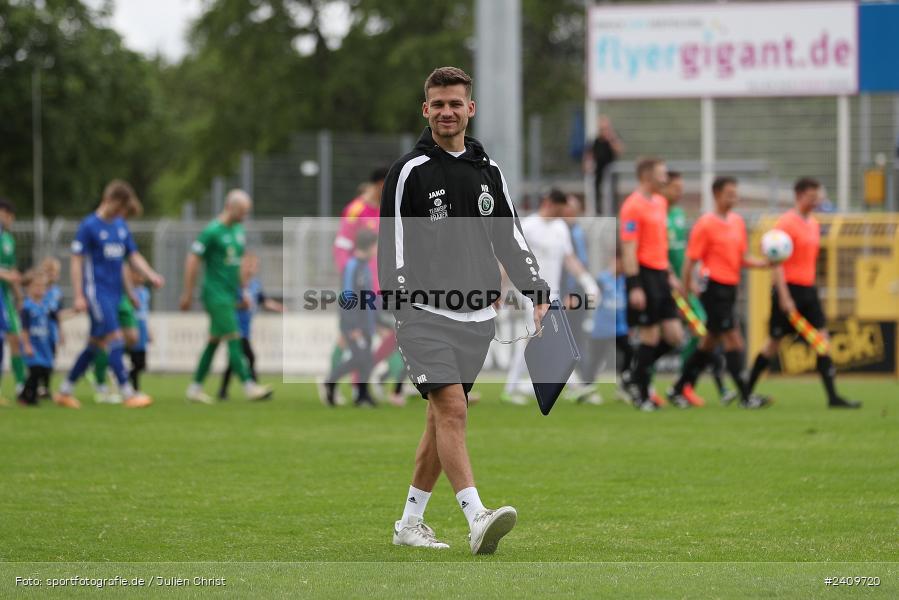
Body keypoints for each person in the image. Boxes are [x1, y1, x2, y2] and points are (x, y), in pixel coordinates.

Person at [378, 66, 552, 554]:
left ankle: (409, 524)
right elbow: (391, 243)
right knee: (453, 409)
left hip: (478, 320)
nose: (447, 112)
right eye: (438, 104)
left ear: (470, 108)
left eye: (455, 103)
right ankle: (477, 517)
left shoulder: (489, 171)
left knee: (441, 420)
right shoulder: (408, 171)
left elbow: (510, 238)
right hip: (423, 315)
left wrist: (538, 292)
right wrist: (400, 304)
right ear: (425, 109)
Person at [745, 178, 861, 409]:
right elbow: (776, 262)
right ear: (799, 195)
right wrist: (784, 296)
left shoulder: (814, 223)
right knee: (773, 344)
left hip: (808, 290)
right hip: (788, 290)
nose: (816, 200)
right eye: (811, 196)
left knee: (822, 341)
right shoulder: (786, 223)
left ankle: (833, 397)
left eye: (817, 196)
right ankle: (746, 394)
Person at [53, 180, 164, 409]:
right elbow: (77, 261)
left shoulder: (120, 226)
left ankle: (65, 391)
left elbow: (131, 257)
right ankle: (127, 393)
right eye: (120, 207)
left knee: (94, 344)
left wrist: (150, 275)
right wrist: (79, 295)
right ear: (110, 200)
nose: (121, 213)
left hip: (115, 294)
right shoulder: (89, 226)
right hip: (97, 292)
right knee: (115, 337)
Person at [666, 177, 772, 409]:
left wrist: (764, 263)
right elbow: (690, 261)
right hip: (713, 288)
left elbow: (742, 258)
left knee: (708, 343)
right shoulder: (705, 224)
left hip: (730, 288)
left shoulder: (737, 222)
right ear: (716, 195)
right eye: (729, 194)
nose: (734, 198)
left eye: (735, 193)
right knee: (734, 339)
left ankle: (678, 388)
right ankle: (746, 396)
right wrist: (685, 290)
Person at [500, 188, 598, 406]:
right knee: (544, 337)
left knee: (542, 338)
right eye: (561, 210)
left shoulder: (560, 228)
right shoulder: (528, 227)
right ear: (550, 204)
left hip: (553, 294)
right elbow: (510, 259)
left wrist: (587, 281)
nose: (563, 214)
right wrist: (500, 288)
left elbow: (569, 259)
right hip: (530, 293)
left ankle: (515, 388)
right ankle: (573, 386)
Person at [181, 189, 273, 404]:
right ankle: (249, 386)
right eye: (242, 212)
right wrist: (188, 292)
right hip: (215, 294)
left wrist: (244, 291)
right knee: (234, 336)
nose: (244, 216)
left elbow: (238, 264)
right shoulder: (212, 231)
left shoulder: (238, 231)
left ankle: (195, 388)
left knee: (213, 342)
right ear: (230, 207)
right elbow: (193, 260)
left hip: (230, 294)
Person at [619, 157, 684, 411]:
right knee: (650, 335)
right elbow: (629, 249)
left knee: (675, 336)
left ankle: (633, 376)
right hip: (643, 275)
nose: (665, 179)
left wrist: (670, 273)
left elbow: (660, 243)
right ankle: (642, 395)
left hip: (660, 275)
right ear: (647, 176)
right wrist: (635, 285)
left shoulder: (660, 202)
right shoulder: (632, 206)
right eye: (662, 174)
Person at [663, 172, 730, 406]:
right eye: (675, 187)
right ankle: (648, 385)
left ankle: (684, 386)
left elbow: (684, 255)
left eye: (681, 188)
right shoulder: (657, 214)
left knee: (702, 330)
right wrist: (670, 276)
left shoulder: (679, 215)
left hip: (682, 285)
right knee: (665, 335)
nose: (679, 192)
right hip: (664, 284)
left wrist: (689, 281)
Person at [322, 229, 378, 407]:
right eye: (375, 245)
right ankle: (330, 380)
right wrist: (353, 326)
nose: (377, 249)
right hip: (354, 325)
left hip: (366, 324)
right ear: (368, 246)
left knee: (367, 361)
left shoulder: (365, 266)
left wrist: (376, 320)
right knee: (360, 358)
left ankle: (362, 395)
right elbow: (347, 296)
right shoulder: (352, 266)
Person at [219, 252, 283, 400]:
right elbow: (226, 304)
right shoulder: (234, 283)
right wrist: (241, 305)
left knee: (233, 361)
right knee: (250, 357)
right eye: (249, 265)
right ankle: (254, 388)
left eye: (255, 265)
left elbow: (263, 300)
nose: (253, 268)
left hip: (246, 328)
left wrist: (278, 307)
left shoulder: (255, 285)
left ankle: (223, 391)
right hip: (234, 326)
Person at [0, 200, 27, 395]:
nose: (11, 220)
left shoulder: (8, 239)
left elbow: (12, 270)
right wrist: (7, 276)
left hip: (5, 296)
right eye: (9, 216)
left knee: (15, 338)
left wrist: (19, 297)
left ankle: (21, 386)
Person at [19, 271, 54, 406]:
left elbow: (56, 318)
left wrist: (74, 311)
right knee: (36, 370)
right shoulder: (27, 307)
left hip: (43, 345)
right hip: (32, 345)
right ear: (29, 288)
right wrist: (27, 345)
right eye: (36, 286)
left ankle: (24, 395)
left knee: (44, 371)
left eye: (42, 286)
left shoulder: (45, 306)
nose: (40, 289)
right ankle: (30, 398)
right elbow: (24, 329)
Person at [584, 115, 624, 214]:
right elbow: (588, 154)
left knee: (612, 192)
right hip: (599, 170)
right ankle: (599, 212)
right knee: (597, 192)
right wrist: (587, 164)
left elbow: (619, 151)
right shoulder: (595, 141)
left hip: (611, 170)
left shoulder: (613, 139)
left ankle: (613, 212)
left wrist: (611, 139)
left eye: (605, 128)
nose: (603, 131)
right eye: (601, 129)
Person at [39, 257, 63, 399]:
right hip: (38, 331)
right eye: (49, 271)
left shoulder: (57, 292)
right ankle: (37, 386)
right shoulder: (38, 290)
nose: (52, 275)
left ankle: (46, 388)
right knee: (38, 360)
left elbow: (58, 314)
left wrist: (61, 332)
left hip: (51, 331)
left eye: (54, 272)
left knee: (50, 359)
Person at [127, 265, 151, 392]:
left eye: (142, 275)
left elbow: (145, 313)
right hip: (131, 326)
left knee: (141, 363)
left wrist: (148, 331)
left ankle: (128, 381)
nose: (141, 278)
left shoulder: (145, 292)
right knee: (135, 359)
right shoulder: (128, 291)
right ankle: (133, 387)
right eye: (138, 275)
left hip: (142, 327)